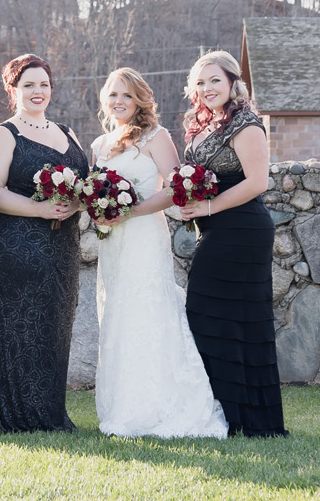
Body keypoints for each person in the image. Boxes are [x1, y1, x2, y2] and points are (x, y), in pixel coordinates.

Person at [91, 68, 228, 439]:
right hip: (113, 241)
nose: (119, 102)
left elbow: (178, 187)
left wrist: (133, 209)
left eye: (127, 96)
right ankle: (124, 405)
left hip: (144, 236)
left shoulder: (156, 136)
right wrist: (101, 209)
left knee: (148, 311)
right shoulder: (100, 146)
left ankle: (160, 404)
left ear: (139, 101)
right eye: (113, 94)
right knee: (118, 314)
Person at [0, 53, 88, 433]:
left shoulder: (68, 132)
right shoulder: (4, 134)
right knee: (21, 327)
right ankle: (20, 417)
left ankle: (51, 413)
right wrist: (39, 211)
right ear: (13, 90)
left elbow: (85, 186)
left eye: (43, 84)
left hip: (64, 245)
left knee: (55, 326)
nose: (37, 91)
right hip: (18, 243)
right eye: (28, 85)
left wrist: (76, 202)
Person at [178, 50, 287, 437]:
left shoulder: (245, 123)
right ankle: (228, 415)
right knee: (214, 318)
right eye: (201, 83)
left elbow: (257, 182)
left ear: (232, 83)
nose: (207, 88)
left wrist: (208, 204)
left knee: (230, 320)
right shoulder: (201, 125)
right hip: (215, 230)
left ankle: (250, 418)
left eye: (215, 81)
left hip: (242, 230)